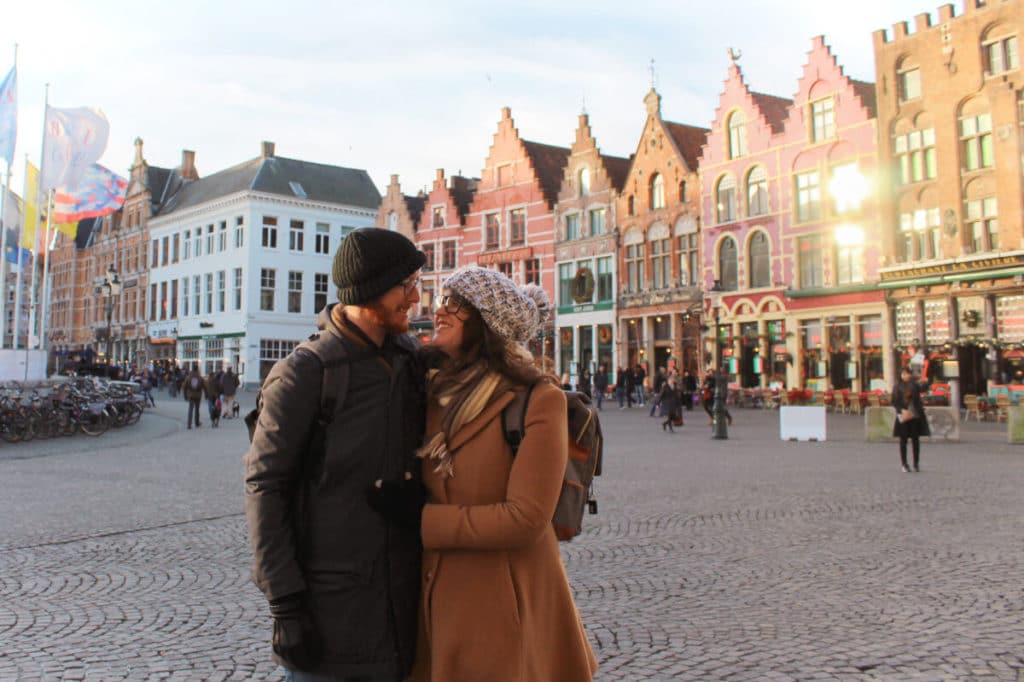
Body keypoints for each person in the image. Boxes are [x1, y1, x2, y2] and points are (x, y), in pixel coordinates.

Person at [367, 266, 597, 681]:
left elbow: (525, 519)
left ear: (487, 323)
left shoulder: (539, 400)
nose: (438, 311)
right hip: (438, 609)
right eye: (440, 300)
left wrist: (421, 520)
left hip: (506, 614)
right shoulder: (435, 393)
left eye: (454, 304)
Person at [245, 227, 427, 681]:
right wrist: (286, 606)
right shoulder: (305, 373)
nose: (416, 297)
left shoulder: (413, 361)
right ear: (369, 291)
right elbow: (265, 488)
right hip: (329, 621)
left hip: (402, 619)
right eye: (406, 286)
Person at [892, 367, 929, 473]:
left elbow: (922, 389)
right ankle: (904, 464)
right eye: (903, 374)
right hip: (903, 415)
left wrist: (926, 383)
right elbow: (894, 401)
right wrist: (900, 410)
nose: (905, 376)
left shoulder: (914, 385)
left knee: (915, 439)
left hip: (915, 415)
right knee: (903, 440)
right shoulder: (897, 386)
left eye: (907, 374)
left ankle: (916, 463)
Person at [183, 365, 204, 429]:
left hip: (191, 395)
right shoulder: (200, 377)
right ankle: (197, 423)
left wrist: (185, 396)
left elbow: (184, 387)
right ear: (197, 369)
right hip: (198, 395)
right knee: (197, 410)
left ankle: (189, 424)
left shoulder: (188, 377)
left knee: (190, 409)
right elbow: (204, 385)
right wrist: (207, 394)